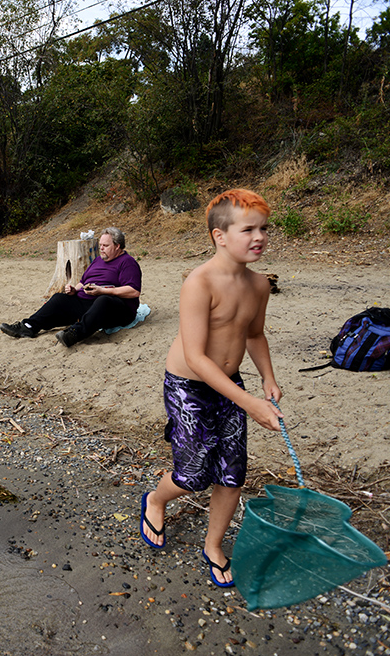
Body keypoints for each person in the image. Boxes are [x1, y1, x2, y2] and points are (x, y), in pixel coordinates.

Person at [139, 189, 283, 588]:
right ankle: (156, 499)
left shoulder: (259, 285)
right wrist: (249, 401)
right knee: (192, 473)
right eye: (248, 229)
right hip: (189, 385)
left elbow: (254, 335)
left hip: (231, 387)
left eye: (264, 229)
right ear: (220, 236)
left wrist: (268, 378)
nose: (259, 237)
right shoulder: (199, 283)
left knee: (231, 472)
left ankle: (214, 544)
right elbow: (196, 356)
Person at [0, 228, 141, 347]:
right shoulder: (98, 260)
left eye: (105, 246)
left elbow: (134, 291)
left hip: (116, 308)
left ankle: (75, 333)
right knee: (59, 298)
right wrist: (75, 289)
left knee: (103, 300)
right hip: (88, 303)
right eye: (100, 245)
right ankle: (28, 327)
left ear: (117, 246)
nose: (101, 249)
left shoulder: (127, 263)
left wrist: (104, 291)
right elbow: (83, 281)